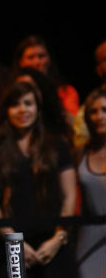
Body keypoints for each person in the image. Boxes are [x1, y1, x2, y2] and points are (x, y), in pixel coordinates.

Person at [0, 82, 76, 278]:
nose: (22, 110)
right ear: (7, 110)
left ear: (37, 108)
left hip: (53, 241)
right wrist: (14, 242)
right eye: (15, 104)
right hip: (12, 243)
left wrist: (58, 238)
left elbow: (70, 196)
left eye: (28, 103)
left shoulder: (56, 145)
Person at [75, 88, 106, 278]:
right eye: (93, 111)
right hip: (88, 233)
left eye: (104, 110)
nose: (99, 116)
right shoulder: (80, 152)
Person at [14, 35, 79, 116]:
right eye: (31, 57)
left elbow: (73, 123)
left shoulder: (65, 91)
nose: (37, 62)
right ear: (21, 62)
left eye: (41, 56)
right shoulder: (11, 90)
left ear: (49, 59)